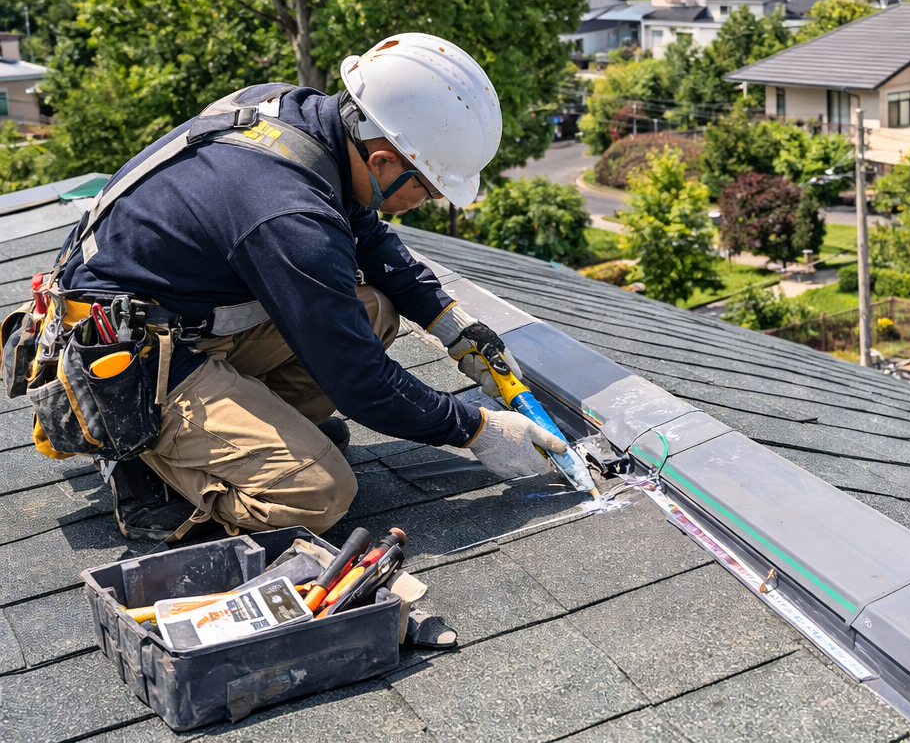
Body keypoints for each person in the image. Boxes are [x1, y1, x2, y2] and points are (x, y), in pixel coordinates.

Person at [58, 33, 567, 541]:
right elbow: (361, 383)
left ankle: (241, 437)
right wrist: (477, 429)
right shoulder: (287, 214)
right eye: (428, 186)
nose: (430, 199)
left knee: (376, 311)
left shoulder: (300, 118)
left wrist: (452, 323)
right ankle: (146, 465)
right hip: (128, 362)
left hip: (174, 321)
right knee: (318, 492)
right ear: (384, 159)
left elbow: (365, 231)